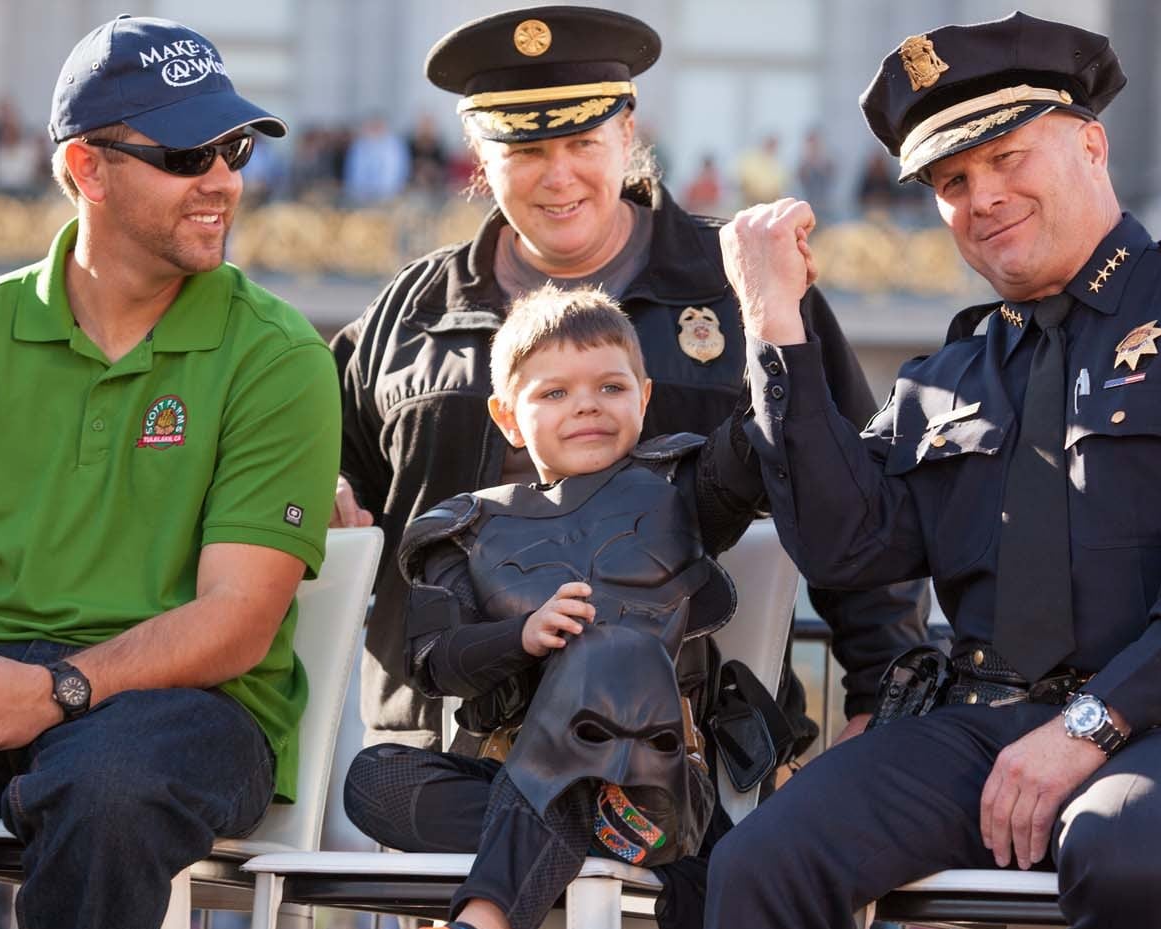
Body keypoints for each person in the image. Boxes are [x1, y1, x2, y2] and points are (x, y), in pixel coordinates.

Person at [705, 12, 1161, 929]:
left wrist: (1093, 723)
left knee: (1127, 843)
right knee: (764, 860)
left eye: (1007, 157)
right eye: (952, 182)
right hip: (987, 729)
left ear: (1091, 146)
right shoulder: (950, 374)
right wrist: (775, 326)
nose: (983, 198)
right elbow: (846, 545)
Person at [331, 0, 926, 786]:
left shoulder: (743, 287)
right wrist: (324, 491)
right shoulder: (410, 313)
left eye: (582, 141)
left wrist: (884, 702)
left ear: (627, 133)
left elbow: (851, 490)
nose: (559, 176)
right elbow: (327, 472)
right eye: (526, 149)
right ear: (479, 153)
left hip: (683, 755)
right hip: (444, 752)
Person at [0, 15, 340, 929]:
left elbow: (237, 621)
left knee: (110, 790)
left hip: (194, 705)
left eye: (235, 149)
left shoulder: (280, 356)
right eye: (185, 154)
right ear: (86, 168)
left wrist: (51, 690)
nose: (223, 181)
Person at [324, 285, 762, 929]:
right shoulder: (463, 528)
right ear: (507, 416)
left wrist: (775, 309)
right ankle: (585, 824)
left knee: (609, 646)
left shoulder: (682, 489)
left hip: (659, 793)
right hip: (551, 789)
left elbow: (765, 436)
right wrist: (520, 636)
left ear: (644, 397)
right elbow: (436, 663)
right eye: (555, 392)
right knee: (373, 779)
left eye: (610, 387)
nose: (587, 405)